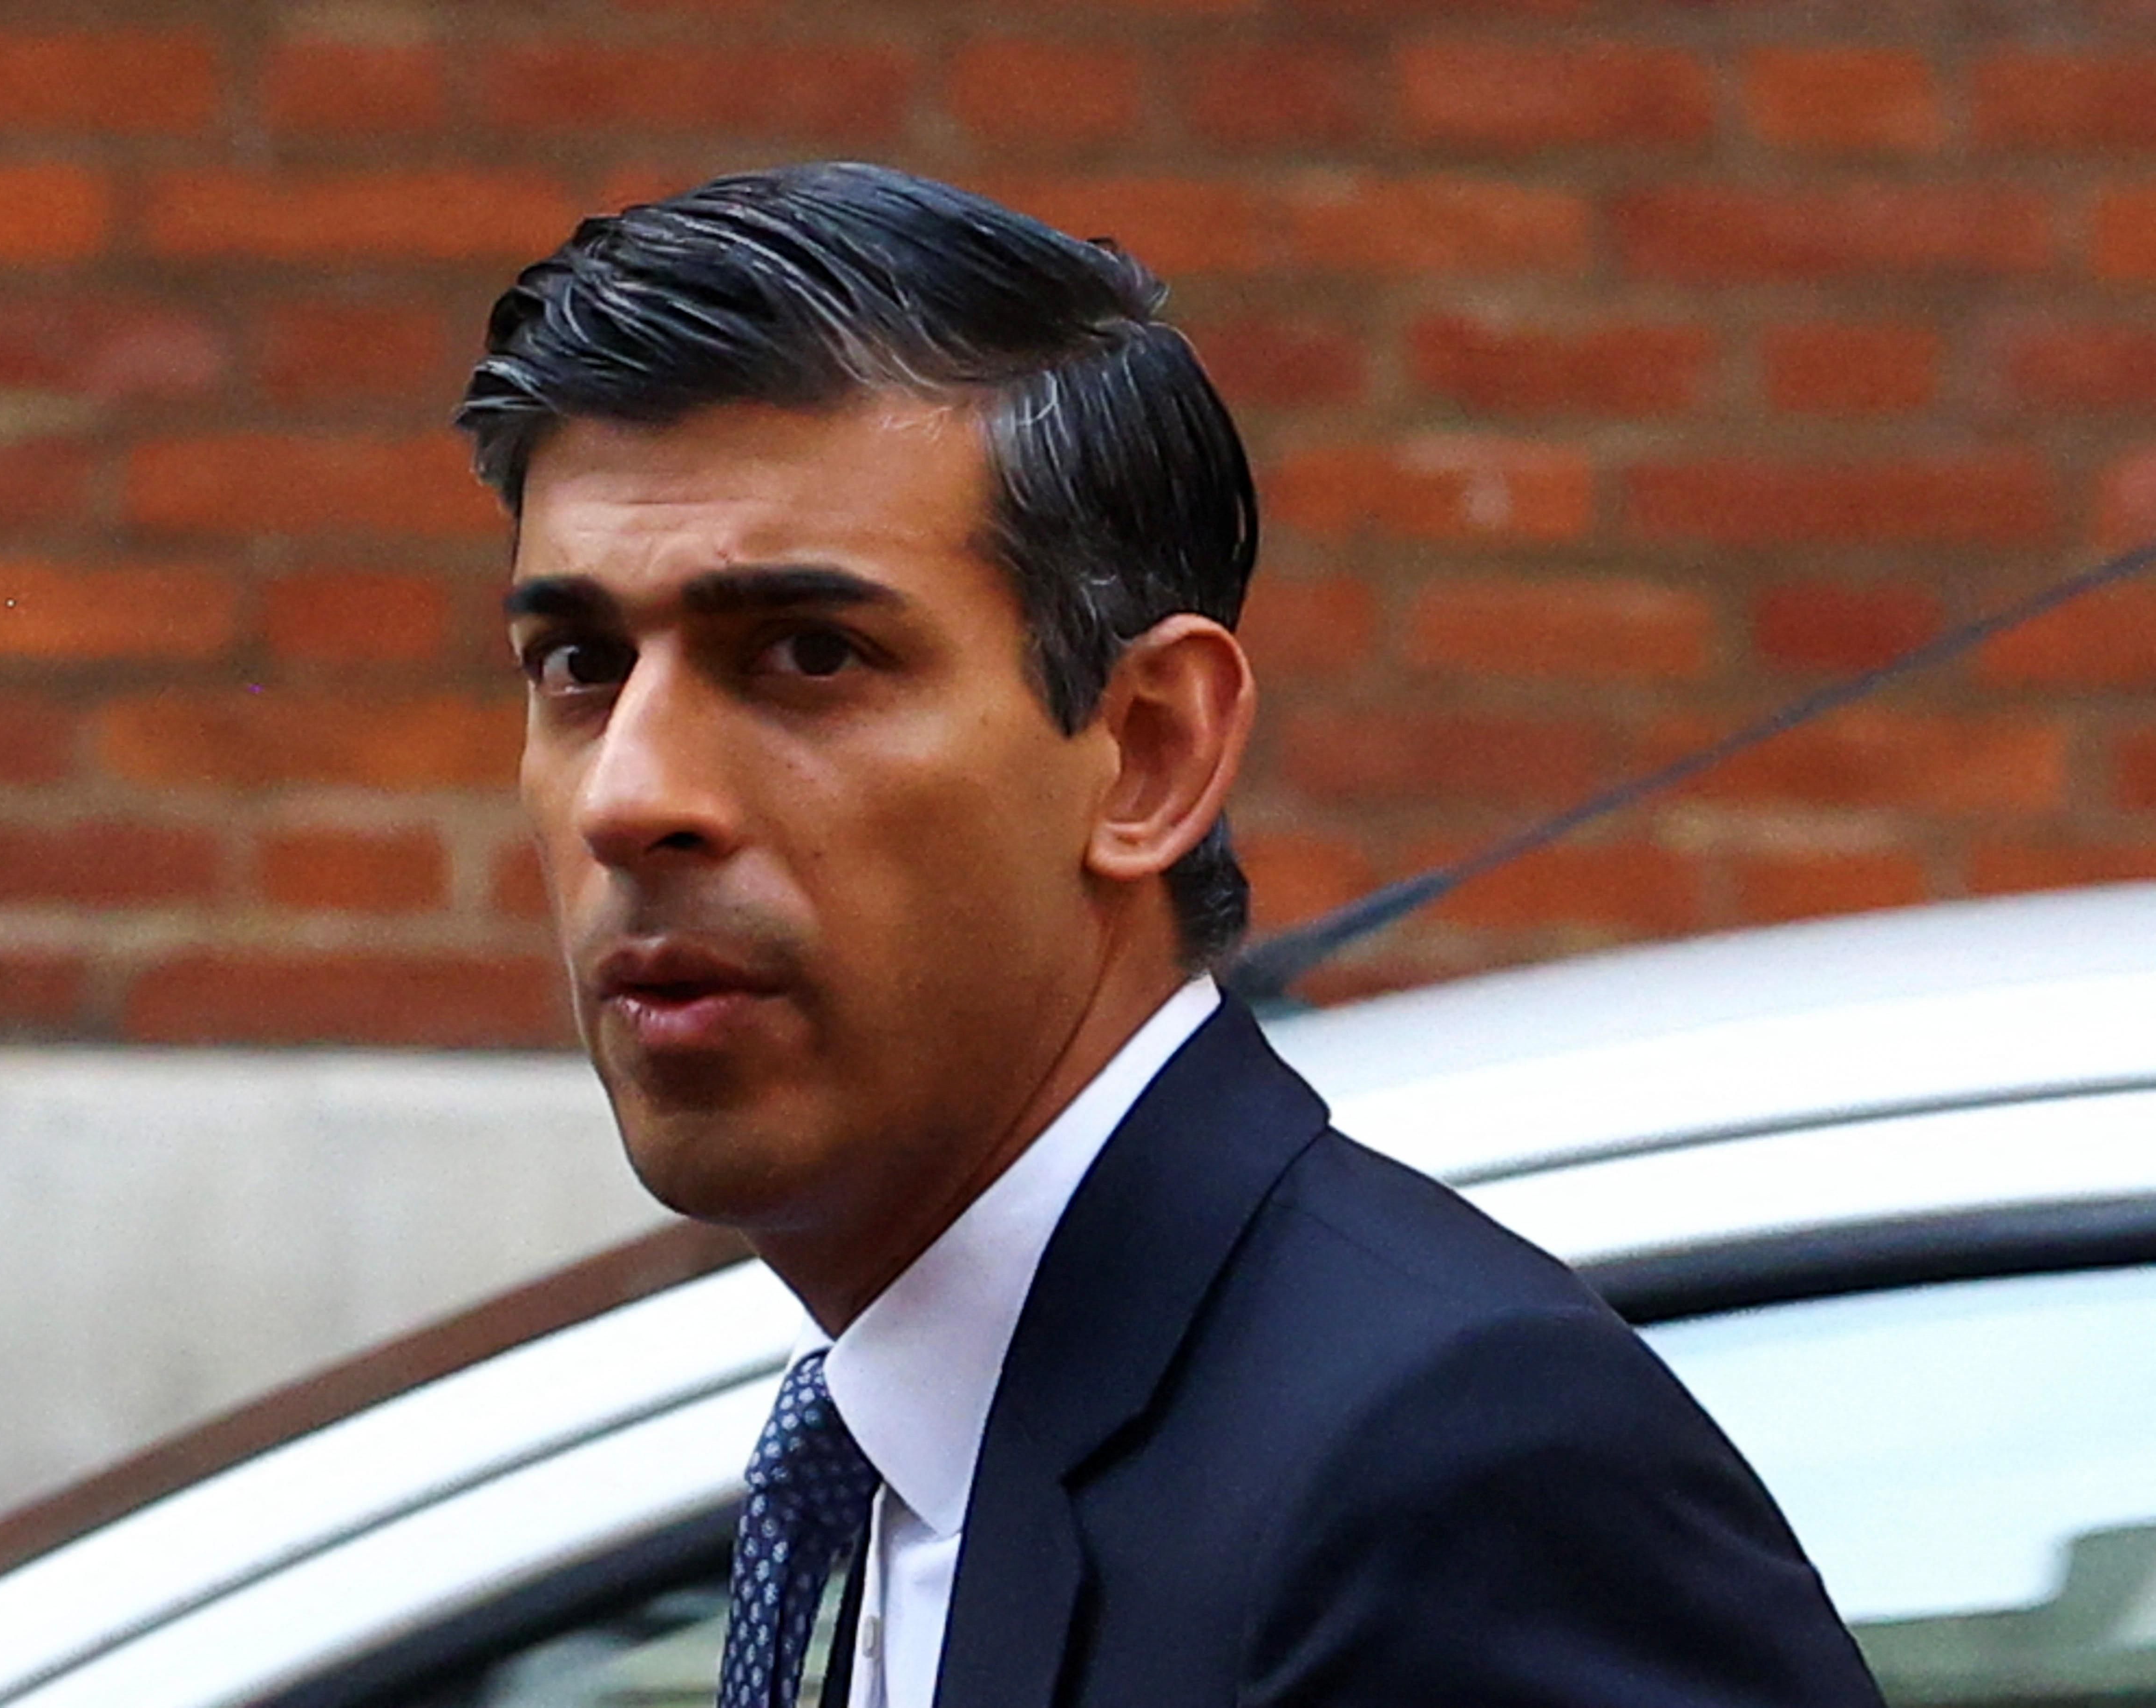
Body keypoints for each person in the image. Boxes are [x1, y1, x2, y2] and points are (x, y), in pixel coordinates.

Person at [457, 162, 1883, 1708]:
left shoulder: (1443, 1465)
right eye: (582, 660)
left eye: (809, 654)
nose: (631, 795)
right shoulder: (931, 1436)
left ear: (1146, 752)